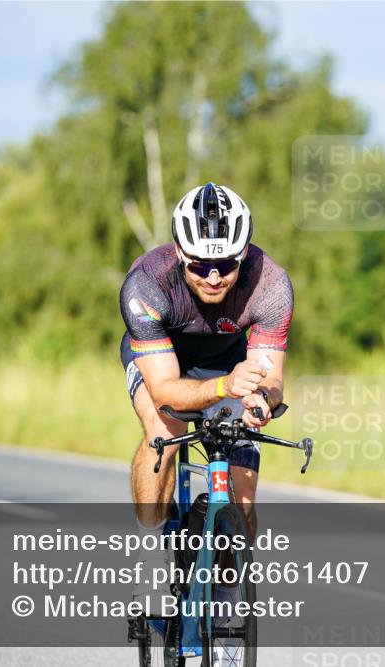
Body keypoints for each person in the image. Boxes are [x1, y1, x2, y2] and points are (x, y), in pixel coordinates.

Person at [119, 181, 293, 548]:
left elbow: (271, 378)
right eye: (200, 266)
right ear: (180, 252)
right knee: (163, 428)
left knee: (242, 500)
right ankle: (151, 554)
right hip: (164, 360)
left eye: (226, 265)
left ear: (243, 253)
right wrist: (223, 388)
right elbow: (166, 391)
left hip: (229, 361)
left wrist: (262, 402)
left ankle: (230, 596)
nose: (214, 277)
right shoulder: (147, 283)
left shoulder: (271, 286)